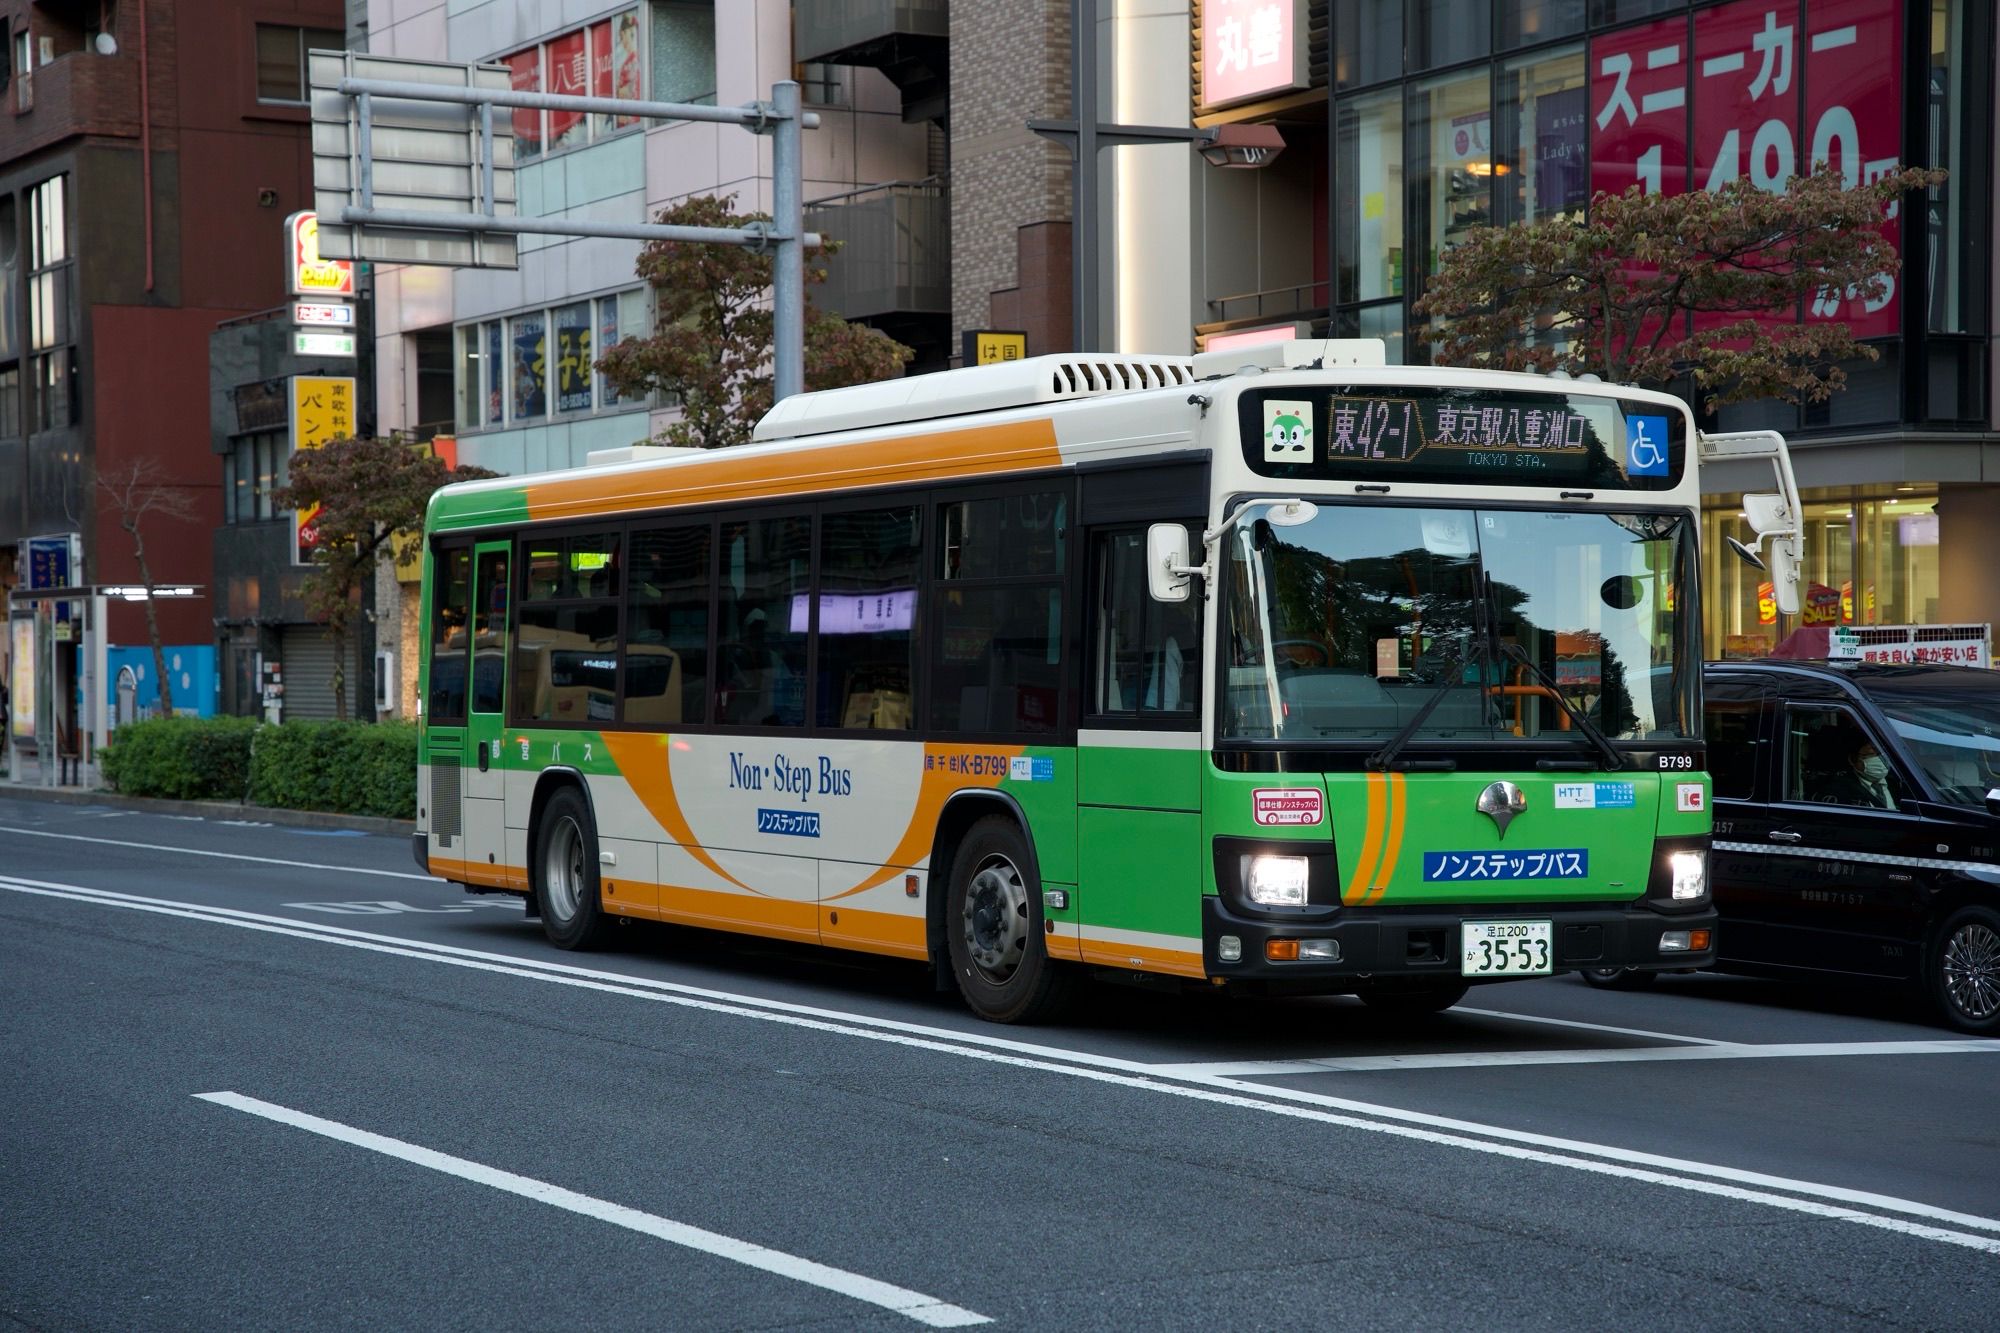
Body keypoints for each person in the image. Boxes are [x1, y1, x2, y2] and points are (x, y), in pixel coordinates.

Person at [1819, 737, 1897, 810]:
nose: (1879, 760)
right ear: (1852, 759)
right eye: (1870, 755)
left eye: (1880, 755)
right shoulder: (1839, 790)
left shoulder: (1896, 783)